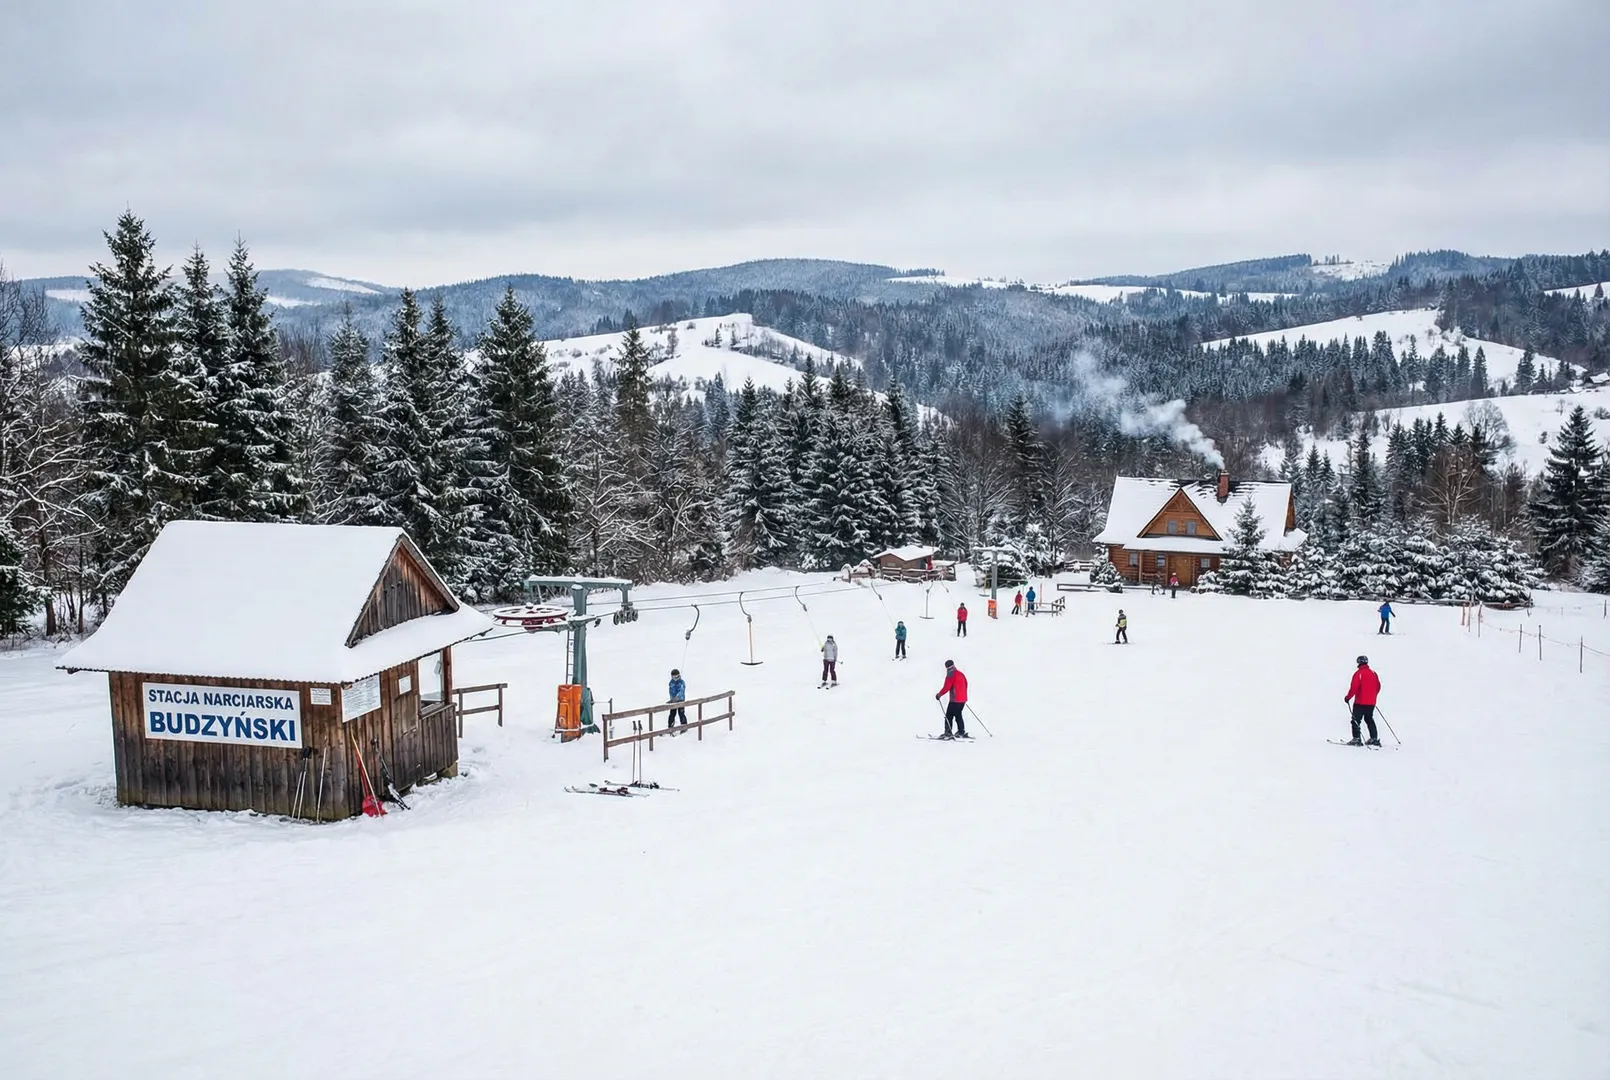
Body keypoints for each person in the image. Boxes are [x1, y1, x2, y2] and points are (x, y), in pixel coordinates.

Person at [1344, 655, 1381, 746]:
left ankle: (1357, 738)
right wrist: (1373, 696)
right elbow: (1378, 686)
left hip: (1360, 702)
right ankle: (1374, 738)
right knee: (1369, 719)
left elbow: (1354, 688)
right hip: (1371, 702)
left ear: (1359, 662)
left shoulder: (1358, 674)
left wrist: (1348, 697)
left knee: (1356, 720)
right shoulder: (1373, 673)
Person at [934, 659, 969, 738]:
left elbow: (947, 687)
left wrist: (939, 695)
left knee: (949, 716)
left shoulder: (950, 674)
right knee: (958, 715)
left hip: (955, 700)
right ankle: (961, 732)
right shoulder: (960, 673)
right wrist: (962, 695)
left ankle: (948, 732)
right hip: (962, 699)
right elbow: (966, 684)